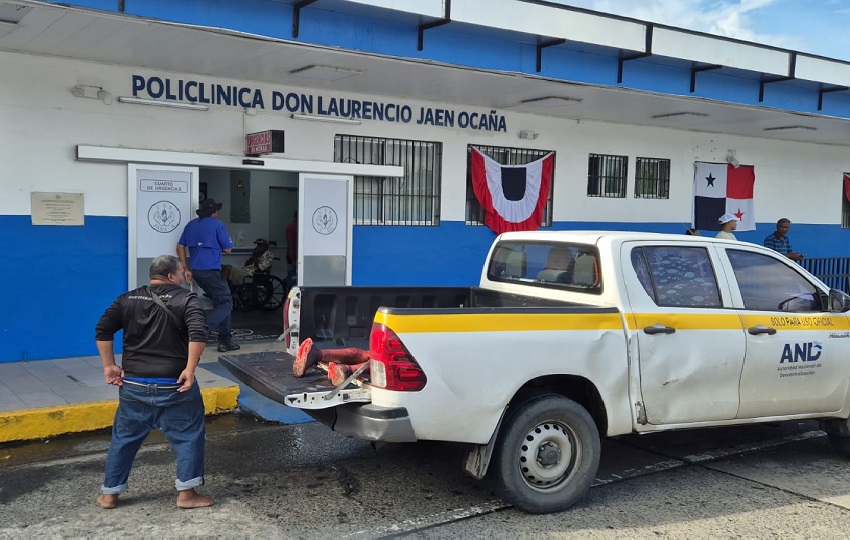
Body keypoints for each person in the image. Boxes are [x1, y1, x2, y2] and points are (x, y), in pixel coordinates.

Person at [94, 255, 213, 510]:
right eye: (180, 273)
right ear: (171, 276)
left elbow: (102, 329)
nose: (182, 278)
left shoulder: (127, 299)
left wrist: (109, 365)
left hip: (133, 385)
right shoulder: (188, 299)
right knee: (188, 436)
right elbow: (198, 334)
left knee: (124, 439)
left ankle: (109, 495)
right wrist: (190, 369)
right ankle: (187, 495)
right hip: (174, 385)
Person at [177, 198, 240, 352]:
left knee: (221, 302)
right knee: (226, 303)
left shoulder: (191, 225)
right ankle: (200, 332)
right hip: (211, 271)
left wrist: (186, 269)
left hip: (196, 271)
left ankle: (225, 341)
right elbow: (228, 249)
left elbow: (180, 246)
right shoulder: (218, 225)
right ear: (214, 212)